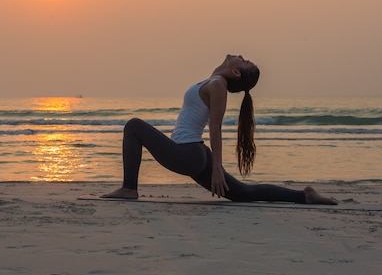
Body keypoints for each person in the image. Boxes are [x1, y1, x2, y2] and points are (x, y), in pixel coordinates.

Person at [102, 54, 337, 204]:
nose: (241, 56)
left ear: (236, 72)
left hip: (189, 154)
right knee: (243, 194)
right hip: (195, 154)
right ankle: (304, 195)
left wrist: (216, 169)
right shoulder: (213, 83)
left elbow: (215, 129)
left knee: (133, 126)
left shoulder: (217, 86)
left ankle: (129, 188)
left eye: (245, 61)